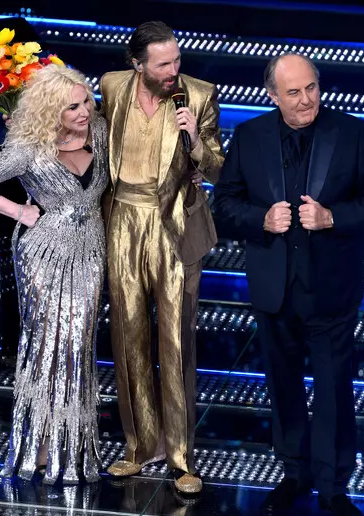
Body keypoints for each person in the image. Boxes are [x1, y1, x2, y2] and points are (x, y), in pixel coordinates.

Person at [213, 53, 364, 515]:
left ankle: (333, 487)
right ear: (273, 95)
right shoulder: (249, 136)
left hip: (331, 286)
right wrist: (261, 219)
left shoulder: (352, 132)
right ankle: (294, 473)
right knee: (283, 385)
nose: (306, 99)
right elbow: (224, 204)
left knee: (333, 388)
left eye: (311, 87)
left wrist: (332, 217)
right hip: (274, 287)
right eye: (293, 92)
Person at [0, 64, 109, 485]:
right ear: (49, 110)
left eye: (85, 101)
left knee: (77, 346)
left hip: (90, 253)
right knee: (46, 346)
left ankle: (70, 445)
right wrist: (18, 211)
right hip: (43, 253)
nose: (84, 111)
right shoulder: (28, 149)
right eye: (72, 107)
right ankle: (37, 444)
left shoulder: (100, 133)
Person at [98, 20, 224, 495]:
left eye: (177, 60)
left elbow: (219, 167)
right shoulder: (112, 87)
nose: (173, 70)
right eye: (163, 64)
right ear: (138, 65)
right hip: (122, 220)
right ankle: (139, 446)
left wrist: (196, 143)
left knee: (175, 341)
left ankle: (181, 456)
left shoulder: (199, 95)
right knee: (128, 334)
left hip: (174, 224)